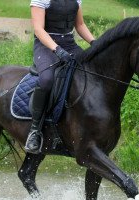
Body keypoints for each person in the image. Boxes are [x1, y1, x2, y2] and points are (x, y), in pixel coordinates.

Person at [25, 0, 95, 154]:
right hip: (45, 46)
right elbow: (38, 29)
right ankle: (35, 131)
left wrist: (95, 43)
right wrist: (57, 50)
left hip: (69, 44)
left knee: (90, 72)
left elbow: (80, 25)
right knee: (46, 80)